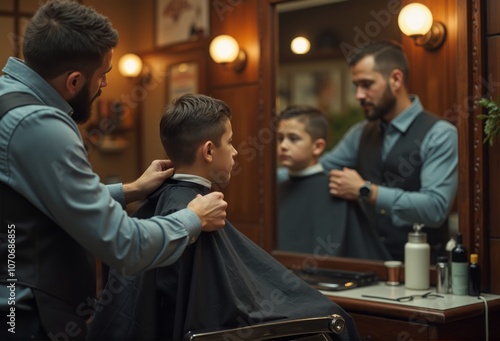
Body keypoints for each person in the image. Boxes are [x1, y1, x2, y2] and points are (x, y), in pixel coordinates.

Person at [0, 1, 226, 340]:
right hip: (24, 318)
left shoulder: (9, 98)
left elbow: (46, 201)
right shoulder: (40, 125)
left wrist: (130, 189)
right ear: (75, 80)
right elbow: (125, 246)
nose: (104, 85)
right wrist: (193, 218)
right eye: (103, 74)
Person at [88, 94, 360, 341]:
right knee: (334, 317)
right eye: (229, 142)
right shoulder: (196, 213)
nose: (234, 151)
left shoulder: (153, 207)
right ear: (208, 151)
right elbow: (224, 313)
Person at [320, 40, 458, 262]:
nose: (359, 95)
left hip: (422, 271)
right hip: (367, 265)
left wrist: (366, 191)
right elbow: (320, 170)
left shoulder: (439, 133)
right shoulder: (360, 132)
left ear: (396, 79)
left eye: (366, 84)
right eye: (356, 85)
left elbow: (435, 208)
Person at [277, 105, 391, 259]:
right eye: (280, 138)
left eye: (293, 138)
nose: (283, 146)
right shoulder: (276, 189)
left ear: (317, 147)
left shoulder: (336, 189)